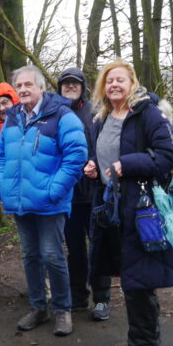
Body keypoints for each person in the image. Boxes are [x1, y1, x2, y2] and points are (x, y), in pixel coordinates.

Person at [84, 60, 173, 346]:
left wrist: (127, 164)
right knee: (130, 277)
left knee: (139, 278)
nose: (114, 85)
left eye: (120, 80)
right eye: (109, 80)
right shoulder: (102, 117)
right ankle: (138, 338)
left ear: (131, 84)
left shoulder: (147, 113)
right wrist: (94, 168)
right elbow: (105, 157)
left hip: (140, 210)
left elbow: (170, 154)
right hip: (113, 208)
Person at [0, 65, 88, 337]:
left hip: (49, 203)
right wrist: (1, 185)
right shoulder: (12, 119)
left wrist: (54, 190)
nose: (23, 90)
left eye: (28, 85)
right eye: (19, 86)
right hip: (21, 202)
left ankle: (62, 310)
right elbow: (1, 157)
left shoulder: (62, 116)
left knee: (52, 255)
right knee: (30, 255)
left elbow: (76, 157)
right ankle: (38, 307)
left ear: (41, 88)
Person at [56, 68, 112, 319]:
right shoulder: (55, 113)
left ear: (83, 87)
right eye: (65, 83)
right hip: (67, 195)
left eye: (74, 83)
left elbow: (104, 145)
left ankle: (102, 299)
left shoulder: (95, 113)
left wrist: (94, 164)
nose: (70, 87)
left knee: (99, 247)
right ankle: (77, 296)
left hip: (94, 192)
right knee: (75, 249)